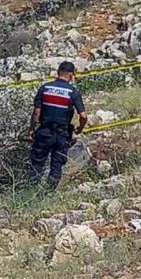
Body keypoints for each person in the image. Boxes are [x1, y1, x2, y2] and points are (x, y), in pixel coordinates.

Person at [28, 60, 88, 189]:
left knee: (37, 163)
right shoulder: (72, 92)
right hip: (62, 134)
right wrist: (79, 129)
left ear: (57, 73)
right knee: (56, 165)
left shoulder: (45, 88)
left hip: (44, 132)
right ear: (71, 75)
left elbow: (36, 113)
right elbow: (83, 115)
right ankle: (48, 193)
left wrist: (32, 129)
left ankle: (30, 192)